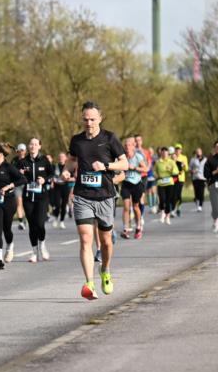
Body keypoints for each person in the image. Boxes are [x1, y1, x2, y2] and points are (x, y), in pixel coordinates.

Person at [67, 101, 128, 300]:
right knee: (86, 239)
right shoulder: (77, 140)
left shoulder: (109, 138)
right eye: (86, 119)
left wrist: (106, 166)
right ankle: (89, 283)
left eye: (92, 119)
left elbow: (125, 164)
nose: (89, 123)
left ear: (100, 119)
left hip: (105, 196)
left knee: (106, 242)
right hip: (82, 196)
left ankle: (105, 270)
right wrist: (66, 171)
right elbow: (71, 160)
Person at [18, 137, 53, 262]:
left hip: (41, 197)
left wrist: (44, 180)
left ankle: (42, 245)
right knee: (32, 226)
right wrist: (19, 173)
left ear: (39, 146)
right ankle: (34, 252)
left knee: (40, 224)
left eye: (35, 144)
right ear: (28, 146)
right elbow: (15, 176)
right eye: (31, 144)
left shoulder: (44, 160)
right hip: (28, 197)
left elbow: (51, 174)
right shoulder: (23, 161)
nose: (33, 146)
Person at [119, 136, 147, 239]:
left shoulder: (138, 157)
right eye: (125, 145)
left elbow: (145, 169)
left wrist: (134, 168)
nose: (127, 147)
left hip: (137, 184)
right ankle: (126, 229)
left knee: (135, 206)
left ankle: (138, 227)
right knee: (126, 206)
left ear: (133, 146)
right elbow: (118, 168)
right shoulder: (122, 157)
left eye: (129, 145)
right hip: (126, 184)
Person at [153, 147, 178, 224]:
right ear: (161, 153)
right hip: (161, 182)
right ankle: (162, 213)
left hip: (169, 182)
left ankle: (167, 216)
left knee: (168, 200)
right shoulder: (158, 162)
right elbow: (154, 171)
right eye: (163, 153)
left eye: (165, 153)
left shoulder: (171, 162)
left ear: (168, 154)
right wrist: (155, 175)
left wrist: (171, 170)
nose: (164, 154)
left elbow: (176, 171)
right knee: (162, 199)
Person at [50, 152, 73, 229]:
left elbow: (74, 177)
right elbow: (51, 175)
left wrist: (67, 179)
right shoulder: (54, 166)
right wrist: (52, 181)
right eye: (60, 157)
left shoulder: (69, 167)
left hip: (65, 187)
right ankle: (56, 218)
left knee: (63, 205)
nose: (61, 158)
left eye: (63, 157)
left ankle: (62, 221)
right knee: (57, 205)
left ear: (65, 158)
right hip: (57, 187)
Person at [12, 143, 28, 231]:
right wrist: (18, 171)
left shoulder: (28, 160)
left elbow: (32, 170)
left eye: (22, 150)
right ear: (17, 151)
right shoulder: (14, 160)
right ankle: (21, 222)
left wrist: (25, 171)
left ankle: (25, 219)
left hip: (27, 184)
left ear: (25, 151)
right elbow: (10, 171)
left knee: (25, 204)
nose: (21, 152)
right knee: (19, 203)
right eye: (19, 150)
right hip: (17, 184)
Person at [172, 144, 188, 217]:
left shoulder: (184, 157)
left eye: (179, 149)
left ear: (181, 150)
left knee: (178, 195)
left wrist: (184, 165)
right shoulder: (172, 157)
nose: (177, 151)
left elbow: (186, 169)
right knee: (173, 195)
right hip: (173, 179)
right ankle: (173, 209)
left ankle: (178, 208)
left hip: (181, 179)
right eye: (176, 149)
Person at [189, 147, 207, 212]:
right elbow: (189, 168)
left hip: (203, 178)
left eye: (199, 152)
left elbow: (208, 168)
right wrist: (192, 171)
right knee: (196, 192)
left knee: (201, 192)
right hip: (195, 178)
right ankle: (197, 200)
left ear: (201, 152)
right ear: (196, 153)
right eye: (197, 152)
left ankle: (200, 206)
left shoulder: (205, 159)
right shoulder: (193, 160)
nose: (198, 153)